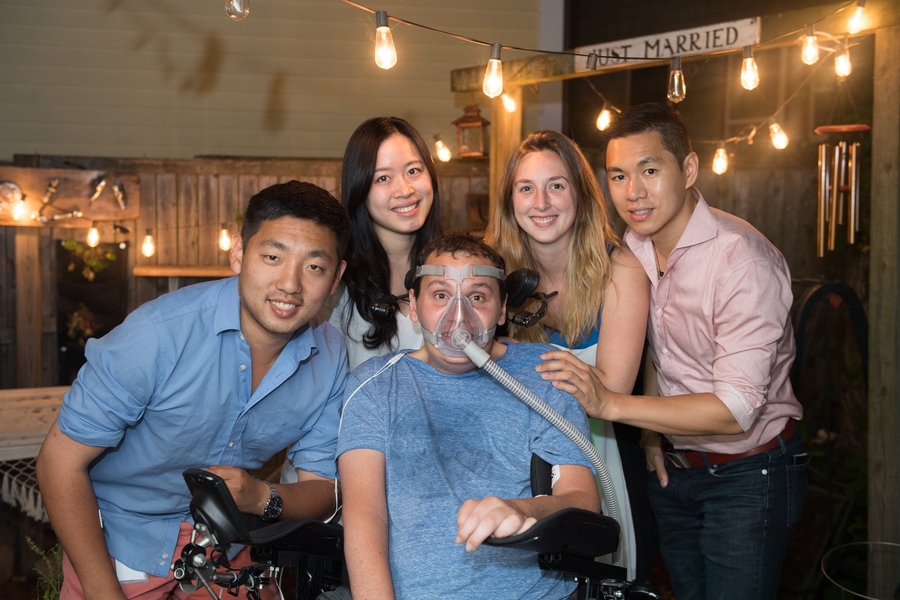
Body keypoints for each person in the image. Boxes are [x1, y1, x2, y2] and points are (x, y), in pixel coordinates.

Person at [35, 181, 351, 600]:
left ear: (336, 278)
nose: (290, 284)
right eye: (272, 257)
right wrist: (101, 591)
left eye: (314, 267)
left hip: (230, 543)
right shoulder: (156, 334)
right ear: (239, 252)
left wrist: (262, 496)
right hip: (120, 537)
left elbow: (325, 490)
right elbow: (58, 463)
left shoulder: (330, 357)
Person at [542, 102, 807, 600]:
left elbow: (736, 410)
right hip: (675, 469)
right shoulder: (637, 244)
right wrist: (649, 435)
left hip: (749, 472)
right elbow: (661, 349)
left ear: (688, 169)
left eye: (649, 170)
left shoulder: (740, 261)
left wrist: (615, 406)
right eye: (618, 176)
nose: (633, 191)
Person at [337, 231, 600, 600]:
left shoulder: (545, 377)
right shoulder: (375, 387)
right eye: (440, 295)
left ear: (503, 308)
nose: (458, 316)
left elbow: (583, 500)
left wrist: (520, 510)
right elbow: (366, 519)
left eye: (477, 297)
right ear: (413, 305)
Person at [485, 130, 651, 580]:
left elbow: (610, 389)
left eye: (556, 185)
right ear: (509, 201)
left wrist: (517, 361)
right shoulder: (492, 272)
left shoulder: (621, 270)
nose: (541, 202)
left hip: (600, 450)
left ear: (579, 193)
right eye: (526, 188)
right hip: (513, 456)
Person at [328, 115, 442, 371]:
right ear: (360, 190)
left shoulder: (456, 271)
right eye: (383, 178)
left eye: (413, 171)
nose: (404, 190)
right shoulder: (336, 284)